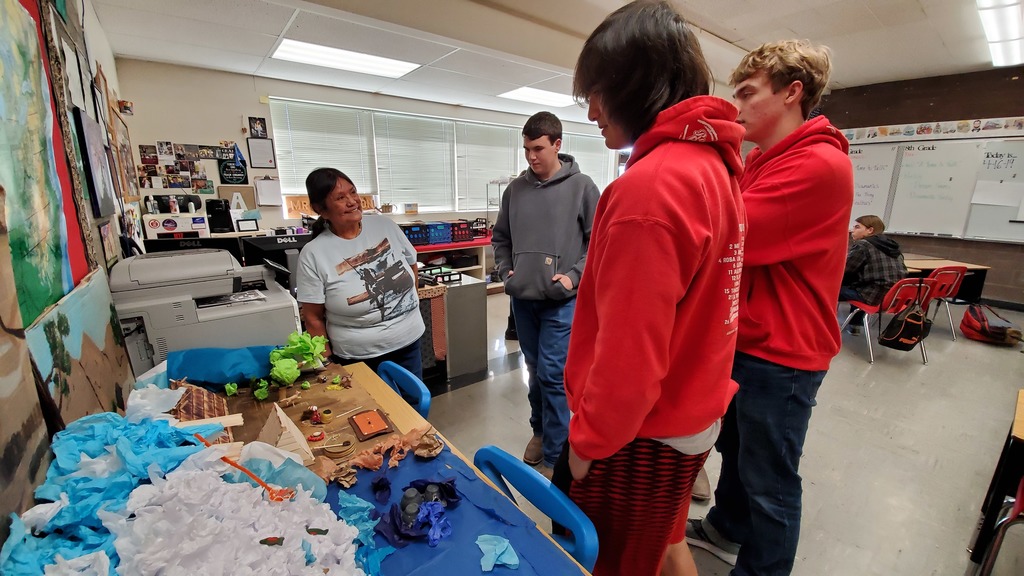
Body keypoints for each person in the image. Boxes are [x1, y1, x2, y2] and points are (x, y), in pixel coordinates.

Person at [552, 2, 746, 574]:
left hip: (641, 431)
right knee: (663, 541)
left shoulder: (651, 188)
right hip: (692, 409)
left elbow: (630, 357)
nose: (590, 111)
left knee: (614, 563)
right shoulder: (714, 166)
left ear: (637, 83)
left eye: (598, 91)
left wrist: (588, 445)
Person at [685, 40, 854, 576]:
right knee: (736, 454)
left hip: (784, 353)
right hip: (748, 339)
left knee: (771, 481)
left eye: (748, 93)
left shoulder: (820, 165)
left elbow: (731, 234)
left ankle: (763, 570)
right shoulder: (763, 160)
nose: (736, 106)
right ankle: (727, 528)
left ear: (792, 92)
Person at [491, 112, 600, 474]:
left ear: (557, 144)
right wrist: (505, 271)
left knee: (554, 374)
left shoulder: (583, 187)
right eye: (526, 149)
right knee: (534, 370)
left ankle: (556, 455)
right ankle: (539, 431)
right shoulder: (515, 190)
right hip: (523, 299)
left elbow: (599, 242)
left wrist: (573, 277)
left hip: (561, 301)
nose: (531, 157)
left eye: (538, 148)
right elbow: (501, 237)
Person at [296, 168, 425, 378]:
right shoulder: (314, 254)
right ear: (322, 209)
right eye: (340, 197)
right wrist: (328, 364)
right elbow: (313, 318)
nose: (352, 201)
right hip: (358, 358)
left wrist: (410, 303)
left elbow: (411, 263)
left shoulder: (385, 225)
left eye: (353, 192)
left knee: (412, 407)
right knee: (370, 410)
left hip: (408, 344)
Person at [840, 215, 908, 332]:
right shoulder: (893, 246)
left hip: (873, 297)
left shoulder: (863, 245)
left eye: (857, 227)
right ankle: (855, 324)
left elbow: (845, 269)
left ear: (870, 230)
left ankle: (820, 326)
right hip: (894, 298)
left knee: (828, 288)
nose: (852, 230)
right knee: (859, 284)